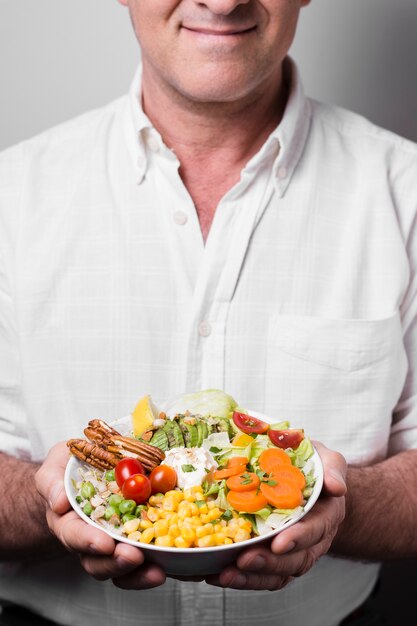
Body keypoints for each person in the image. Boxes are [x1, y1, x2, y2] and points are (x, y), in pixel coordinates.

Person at [0, 0, 416, 625]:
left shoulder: (404, 192)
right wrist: (45, 502)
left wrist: (339, 502)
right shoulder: (13, 197)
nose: (222, 1)